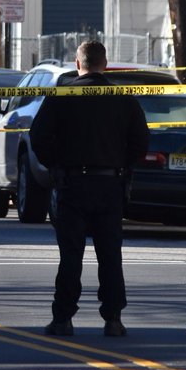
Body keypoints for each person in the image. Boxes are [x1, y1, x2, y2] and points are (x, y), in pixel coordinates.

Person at [29, 40, 151, 337]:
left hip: (73, 183)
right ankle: (113, 319)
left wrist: (56, 165)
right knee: (110, 254)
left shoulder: (62, 95)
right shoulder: (123, 98)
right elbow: (141, 142)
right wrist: (122, 165)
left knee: (71, 254)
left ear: (77, 63)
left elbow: (38, 136)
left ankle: (63, 319)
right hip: (110, 184)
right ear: (104, 63)